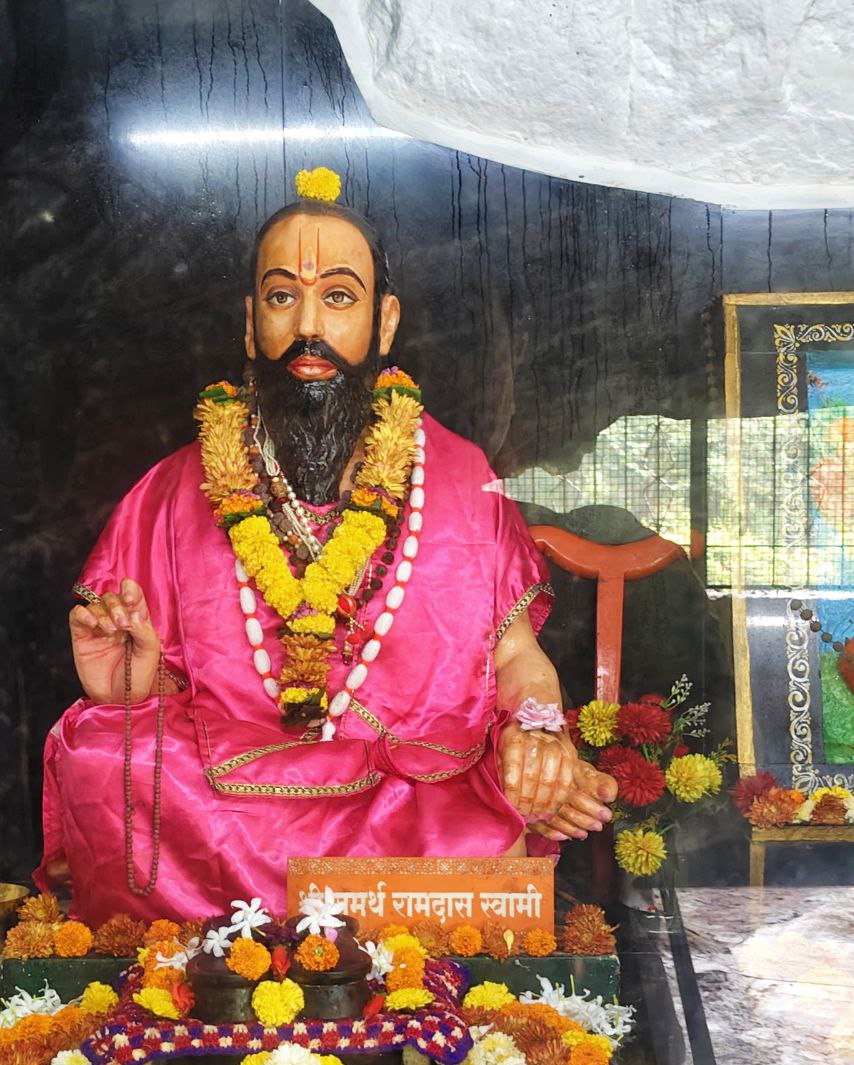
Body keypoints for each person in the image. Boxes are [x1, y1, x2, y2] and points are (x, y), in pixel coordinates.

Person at [36, 169, 616, 924]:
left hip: (409, 781)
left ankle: (270, 927)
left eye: (338, 297)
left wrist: (539, 737)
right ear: (251, 324)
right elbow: (149, 694)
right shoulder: (177, 491)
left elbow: (514, 658)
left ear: (385, 321)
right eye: (283, 297)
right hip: (227, 790)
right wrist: (129, 689)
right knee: (97, 753)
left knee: (501, 788)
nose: (308, 326)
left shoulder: (455, 476)